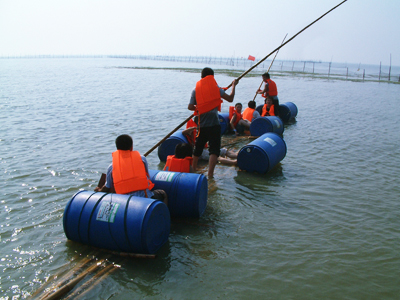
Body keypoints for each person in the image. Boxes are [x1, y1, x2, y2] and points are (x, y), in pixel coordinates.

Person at [188, 67, 239, 177]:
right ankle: (210, 174)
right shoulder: (216, 88)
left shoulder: (195, 89)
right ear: (212, 77)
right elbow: (230, 99)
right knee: (214, 150)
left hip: (202, 125)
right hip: (215, 124)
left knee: (198, 148)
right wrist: (234, 86)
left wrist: (200, 106)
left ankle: (193, 170)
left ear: (201, 77)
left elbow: (190, 107)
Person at [94, 134, 168, 205]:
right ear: (131, 147)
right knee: (163, 193)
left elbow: (107, 187)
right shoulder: (142, 159)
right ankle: (165, 215)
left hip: (124, 202)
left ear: (117, 149)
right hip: (144, 198)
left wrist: (99, 191)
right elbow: (147, 176)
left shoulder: (112, 166)